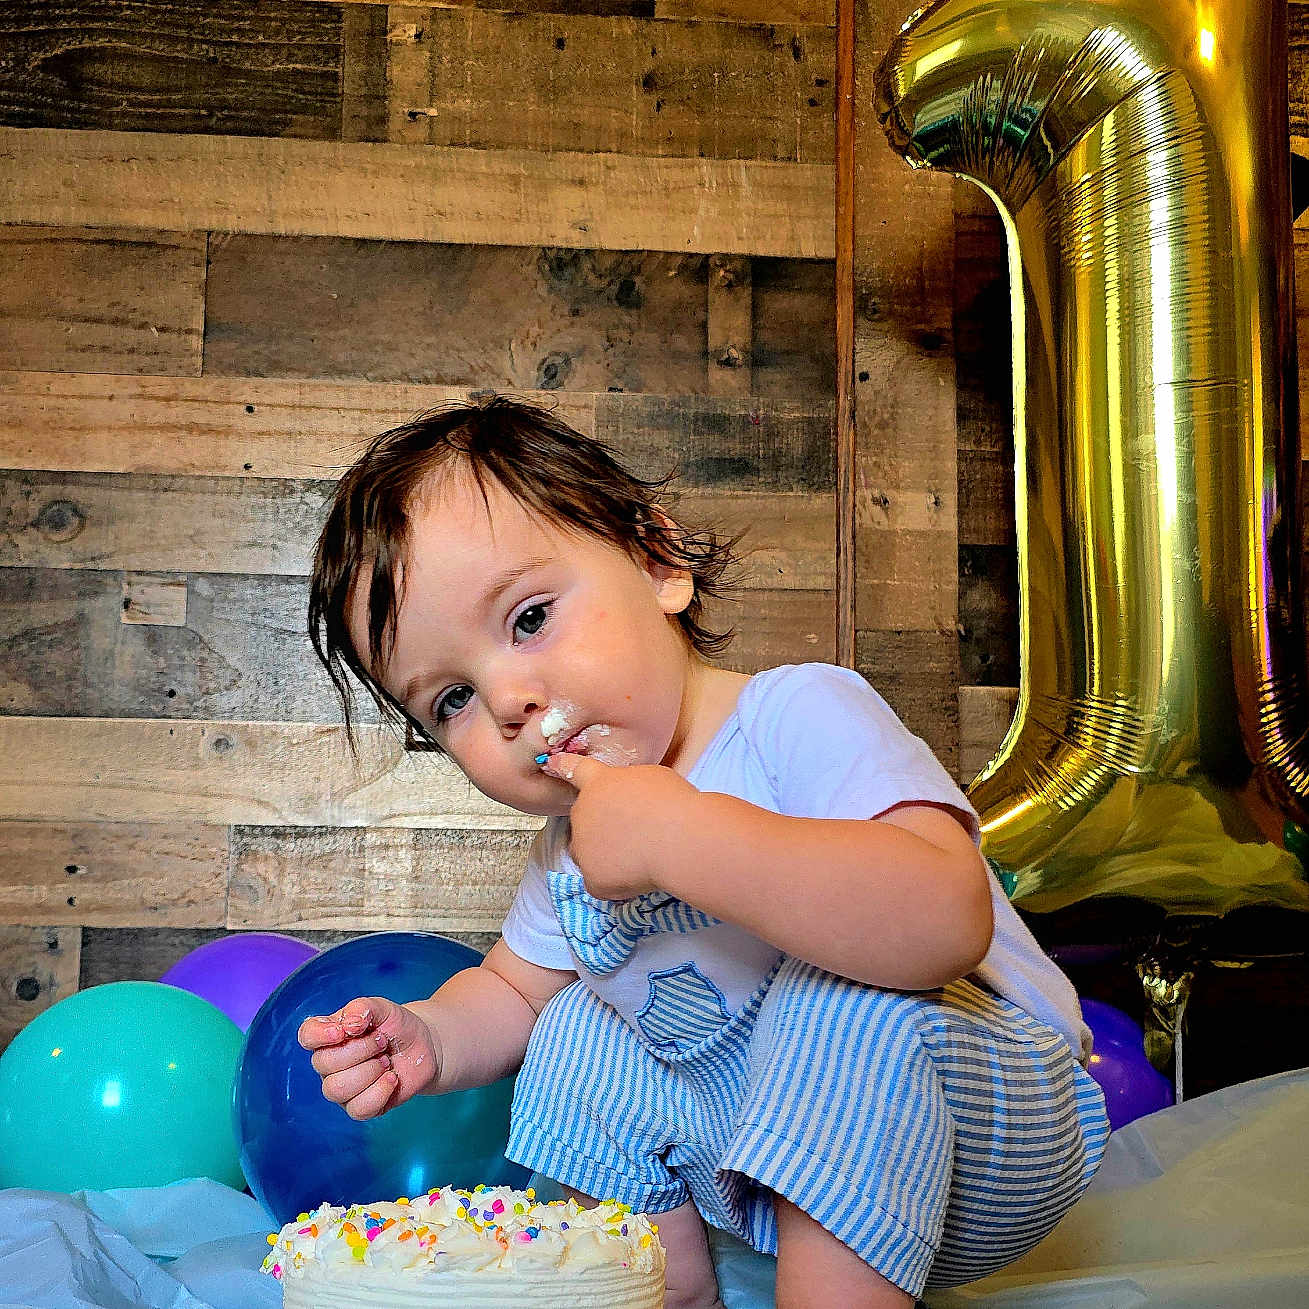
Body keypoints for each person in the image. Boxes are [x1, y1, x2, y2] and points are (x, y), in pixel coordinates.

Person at [299, 396, 1109, 1309]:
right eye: (451, 700)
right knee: (571, 1032)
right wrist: (434, 1036)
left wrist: (679, 836)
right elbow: (515, 993)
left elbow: (942, 920)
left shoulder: (796, 715)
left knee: (832, 994)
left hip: (992, 1118)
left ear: (658, 563)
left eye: (528, 619)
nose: (508, 700)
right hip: (776, 1152)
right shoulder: (567, 851)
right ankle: (662, 1291)